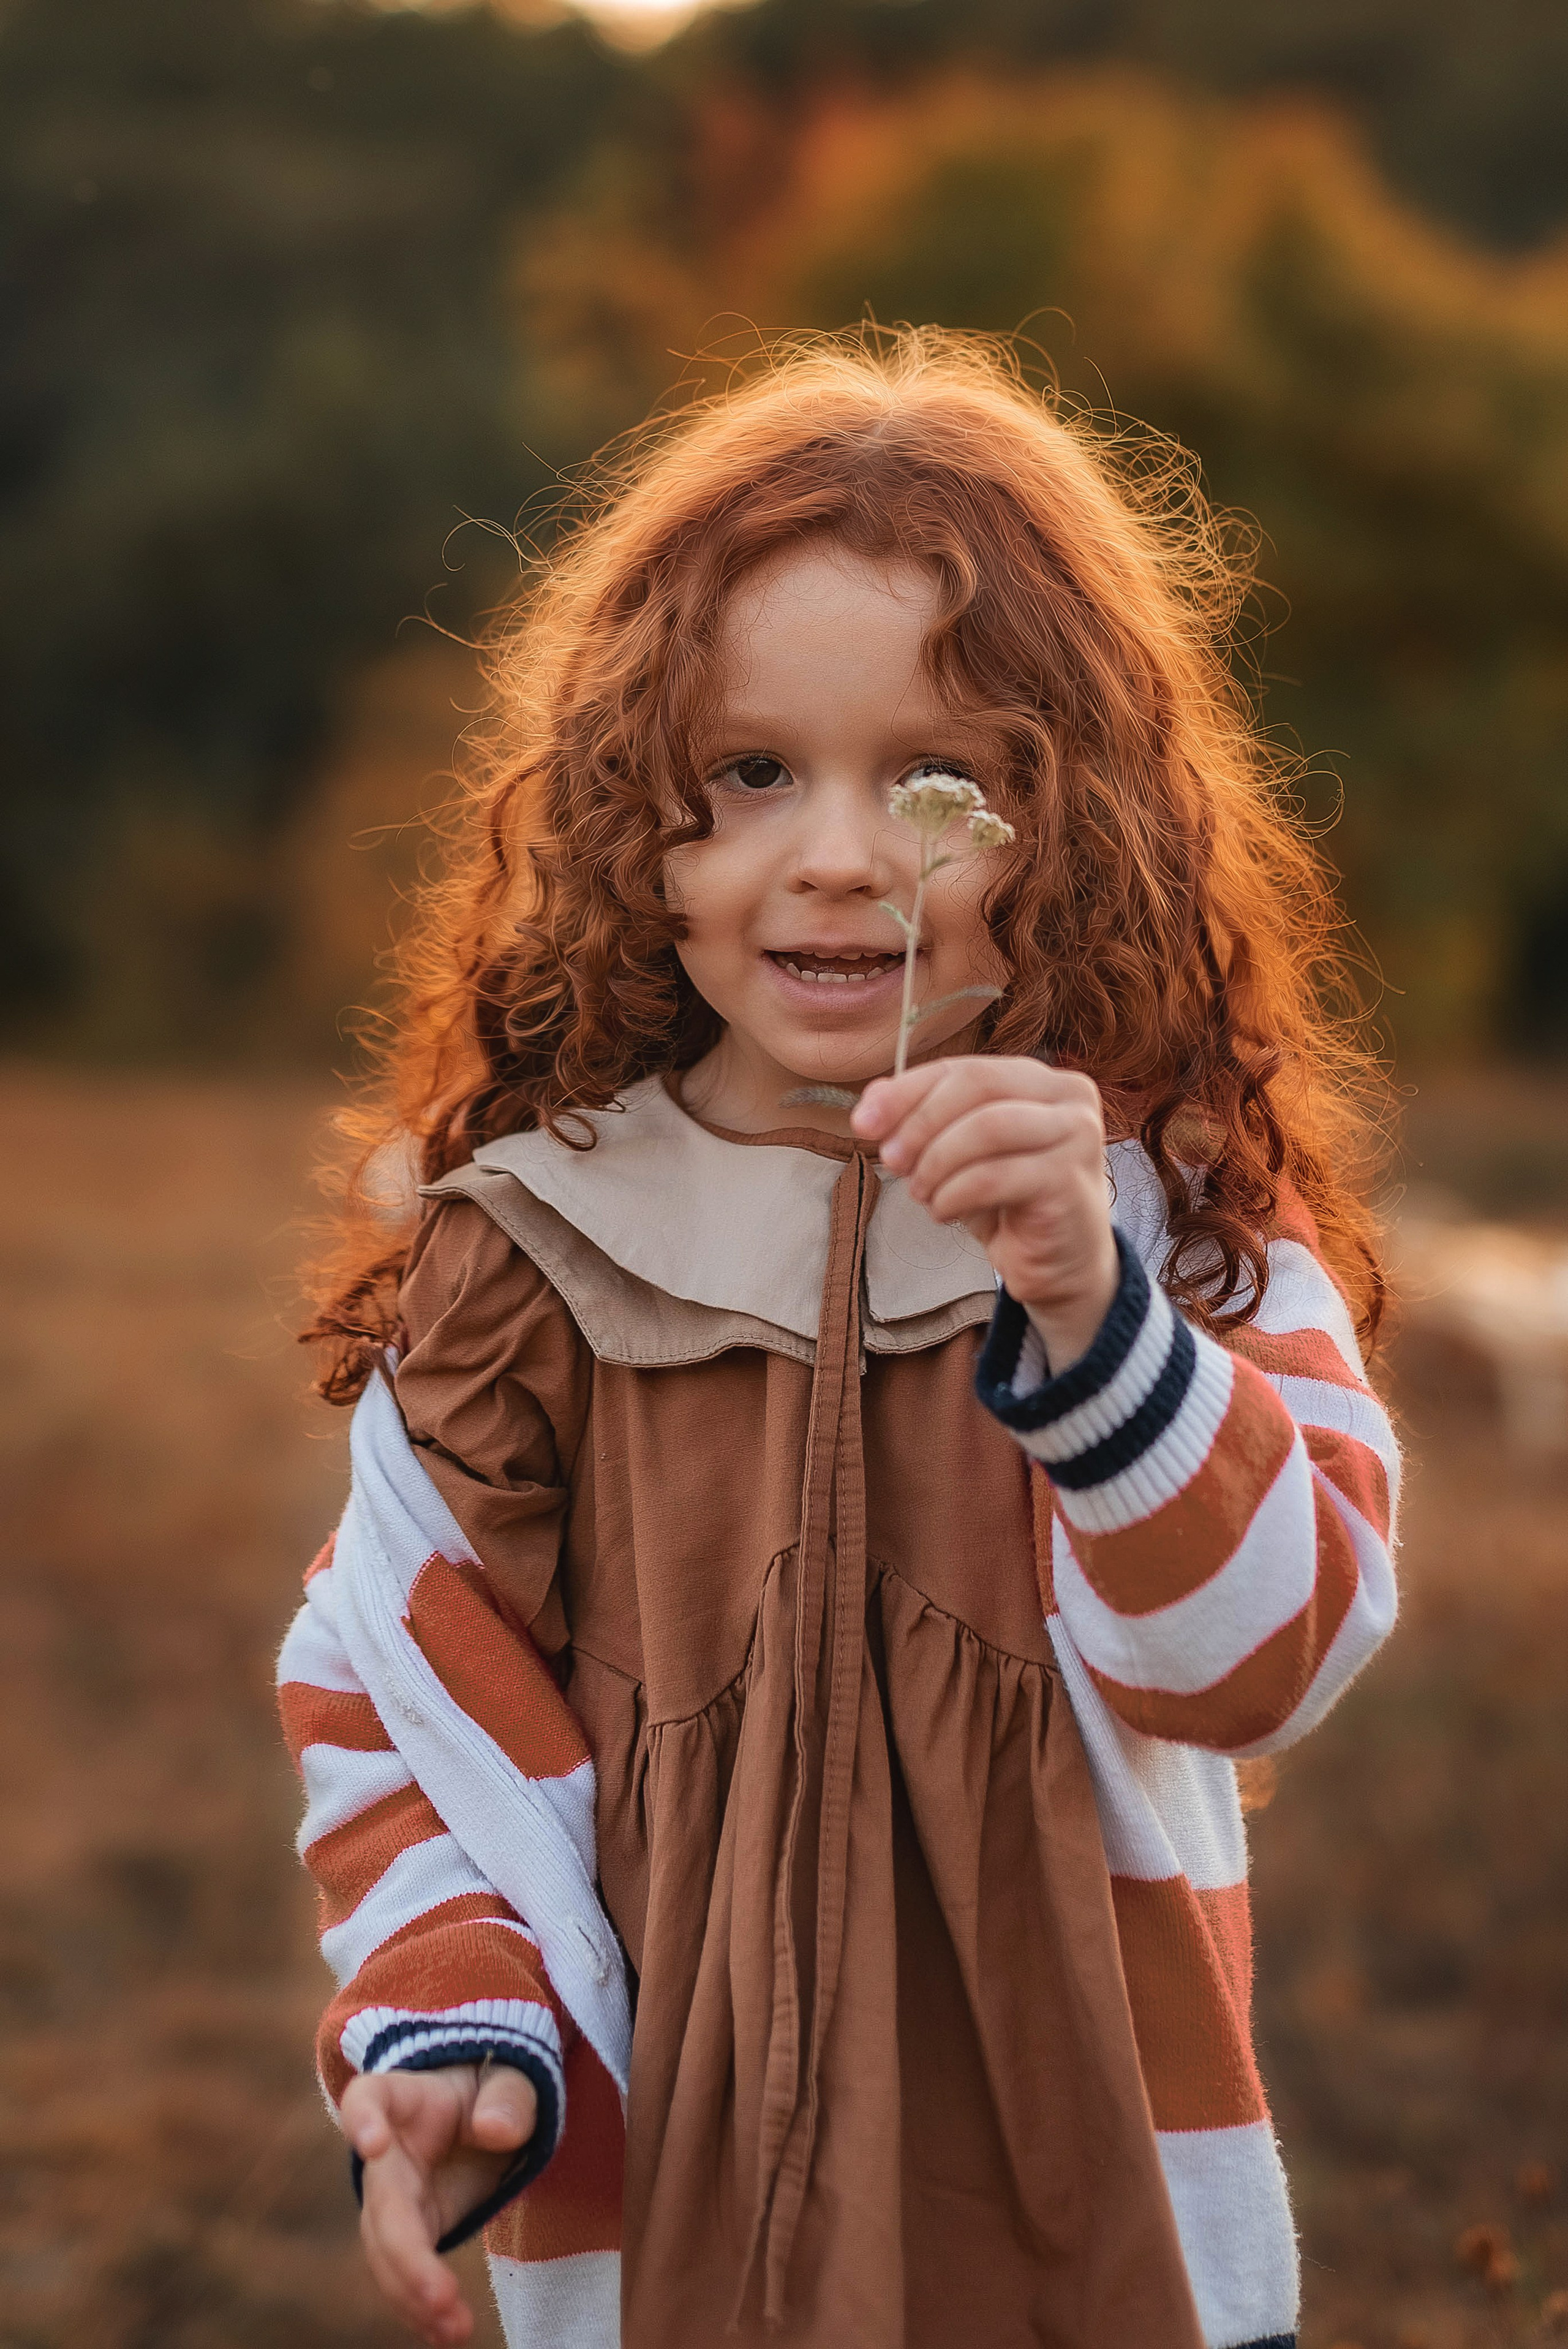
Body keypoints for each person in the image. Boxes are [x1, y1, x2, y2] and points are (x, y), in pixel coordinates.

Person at [281, 329, 1398, 2349]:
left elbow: (1271, 1656)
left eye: (940, 783)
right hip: (675, 2229)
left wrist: (1093, 1310)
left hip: (1092, 2214)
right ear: (630, 816)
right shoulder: (538, 1247)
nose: (840, 854)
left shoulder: (1167, 1215)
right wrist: (452, 2010)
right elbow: (397, 1691)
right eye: (750, 774)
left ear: (1079, 819)